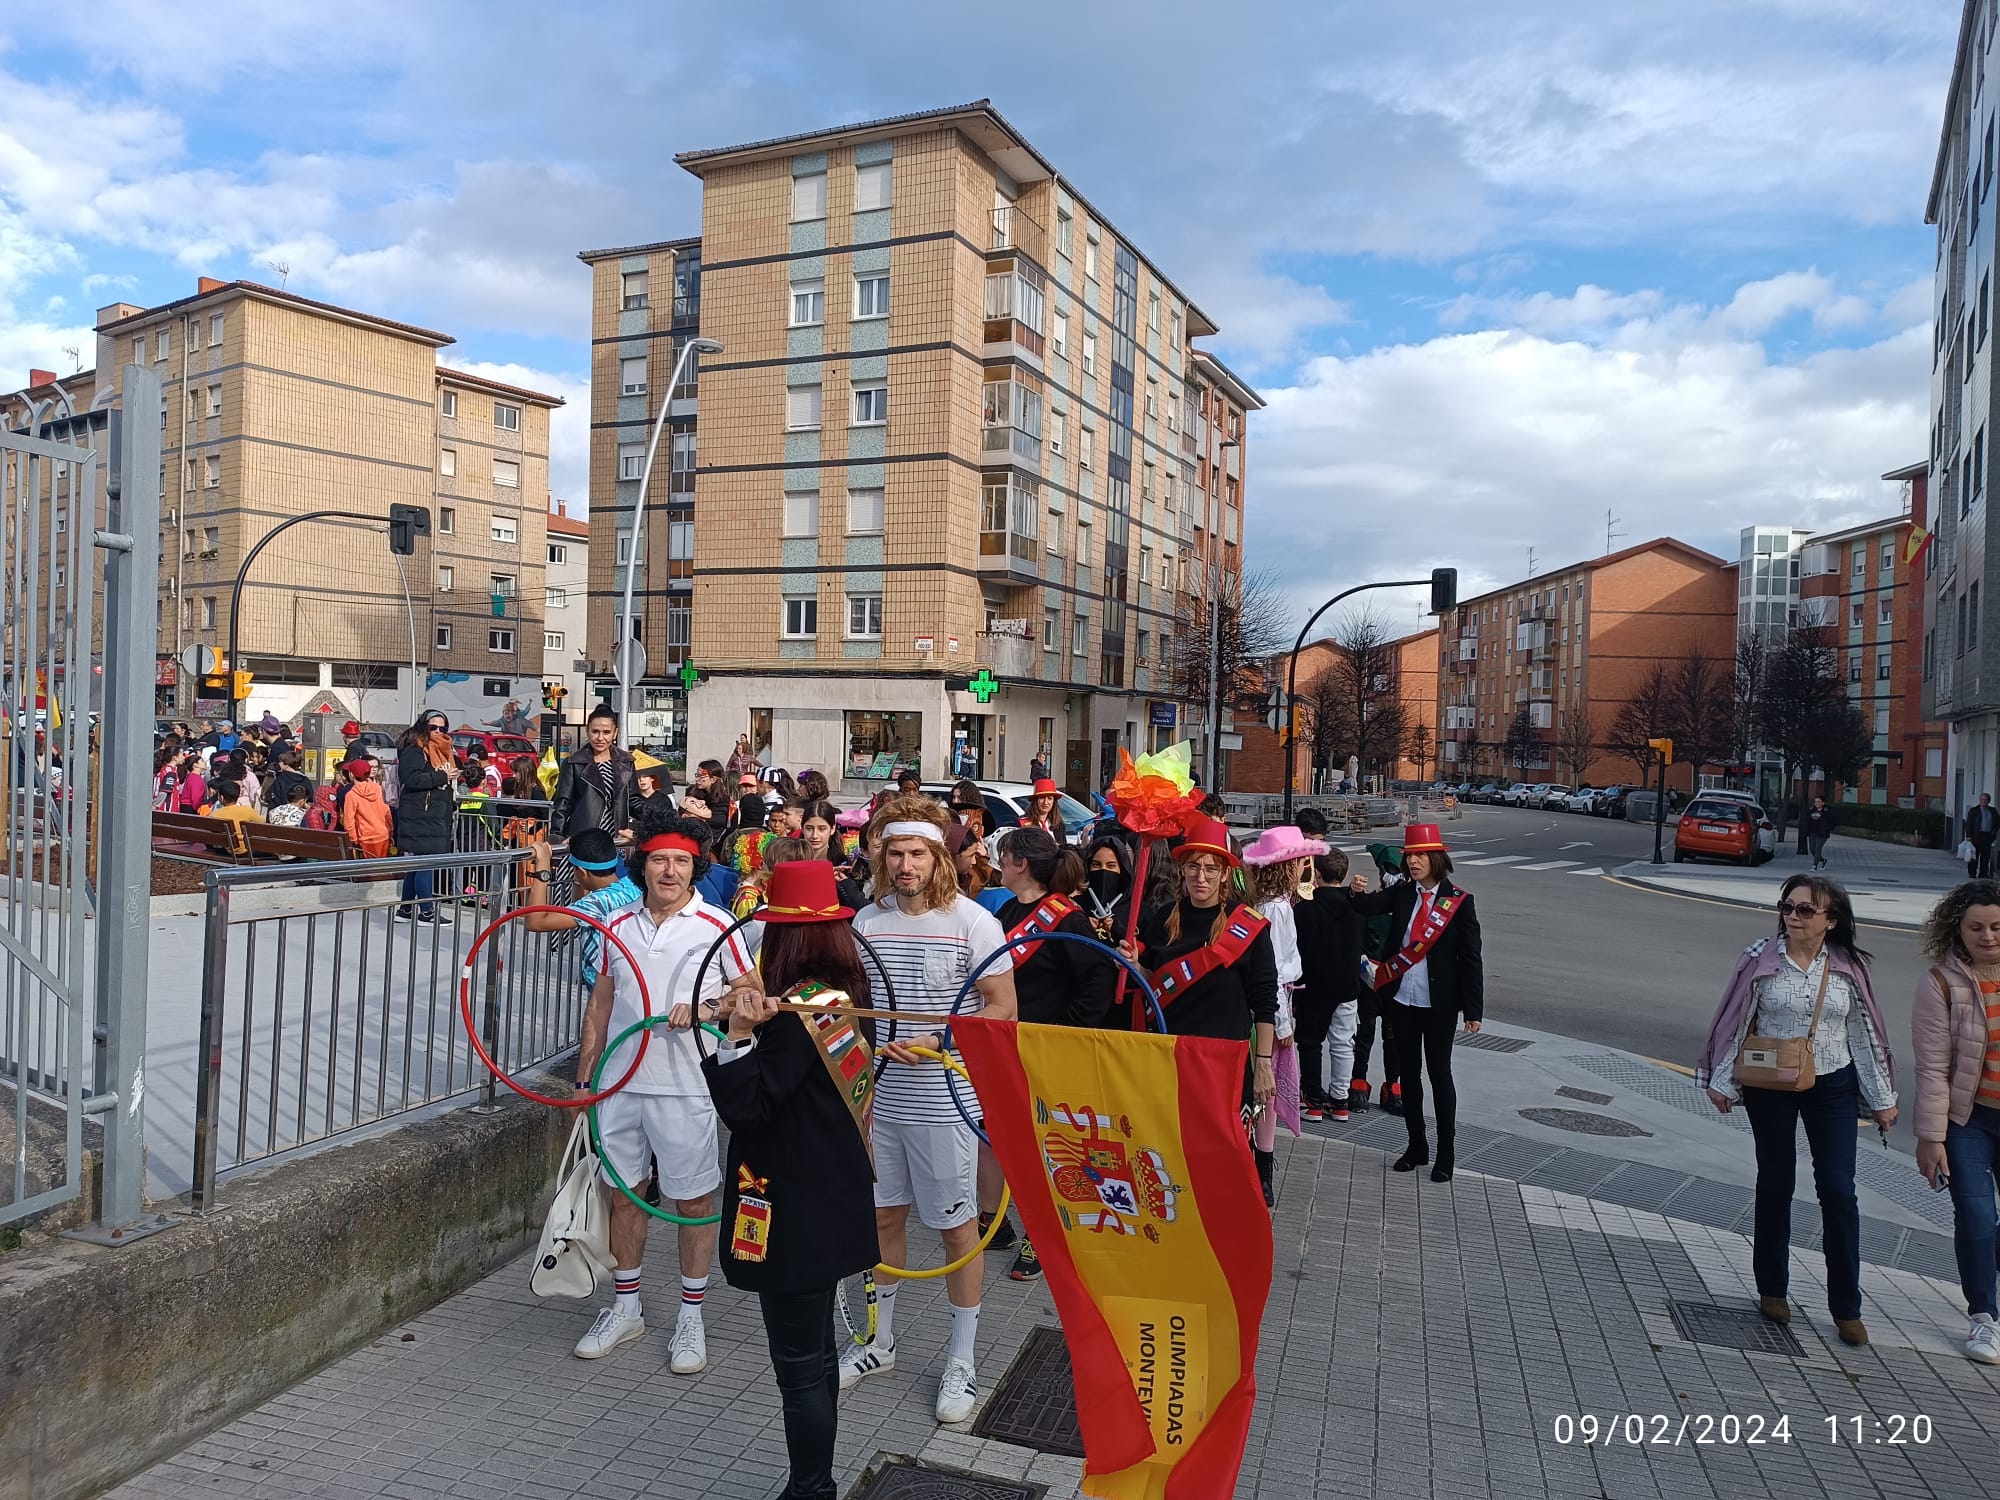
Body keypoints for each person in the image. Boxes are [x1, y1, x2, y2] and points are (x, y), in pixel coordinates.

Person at [705, 862, 879, 1500]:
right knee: (818, 1356)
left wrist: (739, 1034)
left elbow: (748, 1108)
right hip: (833, 1195)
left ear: (783, 938)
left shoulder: (798, 1016)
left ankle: (811, 1489)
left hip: (791, 1209)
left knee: (800, 1368)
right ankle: (815, 1481)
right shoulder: (843, 998)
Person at [842, 795, 1019, 1425]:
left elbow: (1002, 1008)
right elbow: (855, 1011)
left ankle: (962, 1362)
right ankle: (878, 1342)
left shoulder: (974, 923)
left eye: (916, 852)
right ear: (881, 858)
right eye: (894, 853)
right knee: (882, 1218)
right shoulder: (867, 921)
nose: (905, 864)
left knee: (954, 1231)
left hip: (947, 1101)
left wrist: (940, 1039)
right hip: (883, 1100)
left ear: (938, 855)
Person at [572, 810, 759, 1371]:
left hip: (685, 1085)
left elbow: (752, 996)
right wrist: (585, 1078)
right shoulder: (619, 924)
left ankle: (690, 1316)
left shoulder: (717, 926)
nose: (670, 871)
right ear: (642, 865)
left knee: (693, 1199)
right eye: (659, 860)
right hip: (620, 1081)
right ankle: (626, 1307)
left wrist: (706, 1006)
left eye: (681, 861)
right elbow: (600, 1006)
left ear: (695, 866)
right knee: (624, 1194)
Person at [1694, 874, 1897, 1346]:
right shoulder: (1759, 957)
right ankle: (1772, 1288)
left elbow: (1865, 1036)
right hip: (1771, 1083)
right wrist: (1720, 1081)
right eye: (1788, 907)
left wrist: (1883, 1099)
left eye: (1806, 910)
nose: (1793, 916)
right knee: (1776, 1181)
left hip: (1834, 1084)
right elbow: (1736, 1020)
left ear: (1832, 919)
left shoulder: (1848, 966)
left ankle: (1847, 1307)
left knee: (1839, 1192)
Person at [986, 828, 1114, 1278]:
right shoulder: (1007, 910)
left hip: (1051, 1048)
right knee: (1005, 1138)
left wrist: (1067, 1032)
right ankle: (995, 1218)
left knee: (1047, 1146)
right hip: (1010, 1046)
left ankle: (1042, 1237)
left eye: (1003, 857)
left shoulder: (1067, 919)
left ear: (1021, 864)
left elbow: (1098, 981)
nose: (998, 863)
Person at [1348, 825, 1483, 1182]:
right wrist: (1354, 891)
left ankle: (1446, 1154)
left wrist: (1473, 1010)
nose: (1415, 862)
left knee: (1440, 1075)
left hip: (1439, 1004)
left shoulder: (1459, 902)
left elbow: (1471, 958)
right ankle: (1416, 1146)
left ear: (1437, 858)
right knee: (1408, 1075)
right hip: (1402, 999)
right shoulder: (1404, 894)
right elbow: (1367, 905)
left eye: (1421, 855)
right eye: (1410, 856)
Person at [1122, 817, 1278, 1117]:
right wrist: (1135, 966)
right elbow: (1157, 983)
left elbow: (1265, 1000)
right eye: (1193, 866)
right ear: (1182, 869)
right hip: (1170, 1054)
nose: (1200, 877)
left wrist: (1263, 1062)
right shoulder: (1164, 917)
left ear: (1224, 874)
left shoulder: (1247, 925)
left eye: (1210, 868)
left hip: (1223, 1059)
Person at [1912, 880, 2000, 1364]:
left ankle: (1985, 1270)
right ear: (1958, 930)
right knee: (1978, 1217)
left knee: (1989, 1230)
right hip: (1970, 1122)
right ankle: (1984, 1318)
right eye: (1976, 927)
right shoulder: (1941, 983)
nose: (1987, 936)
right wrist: (1930, 1137)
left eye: (1996, 927)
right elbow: (1930, 1066)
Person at [1241, 826, 1327, 1205]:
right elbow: (1272, 972)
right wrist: (1283, 1024)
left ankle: (1257, 1164)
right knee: (1268, 1092)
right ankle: (1262, 1168)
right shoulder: (1278, 909)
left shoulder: (1263, 904)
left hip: (1265, 1008)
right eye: (1300, 861)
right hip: (1272, 1013)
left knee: (1263, 1093)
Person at [523, 828, 642, 988]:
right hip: (625, 983)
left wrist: (542, 870)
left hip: (607, 993)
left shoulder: (599, 902)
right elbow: (580, 907)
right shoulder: (632, 884)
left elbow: (535, 921)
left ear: (582, 872)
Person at [1295, 849, 1364, 1123]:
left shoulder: (1306, 909)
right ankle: (1340, 1100)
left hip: (1315, 984)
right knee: (1344, 1044)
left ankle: (1313, 1100)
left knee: (1311, 1042)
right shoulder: (1357, 907)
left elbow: (1300, 949)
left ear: (1317, 875)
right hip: (1348, 985)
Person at [392, 711, 457, 924]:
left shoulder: (444, 750)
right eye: (433, 727)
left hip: (433, 813)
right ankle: (427, 911)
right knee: (425, 862)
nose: (438, 732)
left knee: (417, 863)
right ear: (423, 727)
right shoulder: (415, 749)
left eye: (442, 728)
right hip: (420, 814)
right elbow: (410, 778)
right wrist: (442, 775)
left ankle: (405, 910)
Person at [551, 706, 634, 840]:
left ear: (615, 733)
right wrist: (556, 836)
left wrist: (660, 820)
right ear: (587, 731)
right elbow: (563, 803)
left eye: (606, 732)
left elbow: (633, 800)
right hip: (583, 835)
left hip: (616, 837)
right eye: (595, 731)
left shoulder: (626, 761)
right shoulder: (573, 762)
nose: (600, 738)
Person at [1079, 835, 1134, 946]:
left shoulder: (1137, 910)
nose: (1103, 870)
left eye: (1111, 866)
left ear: (1122, 870)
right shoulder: (1076, 905)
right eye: (1096, 865)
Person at [339, 760, 392, 857]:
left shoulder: (351, 795)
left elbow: (349, 822)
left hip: (365, 838)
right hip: (383, 834)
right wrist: (390, 830)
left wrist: (354, 839)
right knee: (382, 869)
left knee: (369, 870)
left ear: (351, 774)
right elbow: (387, 812)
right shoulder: (378, 789)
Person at [1969, 794, 2000, 880]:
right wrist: (1968, 836)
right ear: (1979, 800)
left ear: (1989, 801)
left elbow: (1998, 822)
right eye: (1982, 799)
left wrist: (1994, 831)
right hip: (1976, 836)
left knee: (1985, 856)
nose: (1984, 801)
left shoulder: (1993, 811)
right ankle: (1972, 873)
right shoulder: (1974, 810)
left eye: (1985, 799)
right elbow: (1969, 824)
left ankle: (1983, 873)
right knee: (1974, 855)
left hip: (1987, 836)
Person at [1804, 796, 1837, 872]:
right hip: (1812, 832)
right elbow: (1807, 820)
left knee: (1818, 848)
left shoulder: (1827, 811)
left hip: (1822, 834)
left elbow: (1833, 821)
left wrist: (1827, 828)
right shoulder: (1811, 810)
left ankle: (1814, 866)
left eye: (1818, 802)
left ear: (1823, 803)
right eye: (1815, 802)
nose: (1817, 803)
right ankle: (1823, 860)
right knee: (1812, 850)